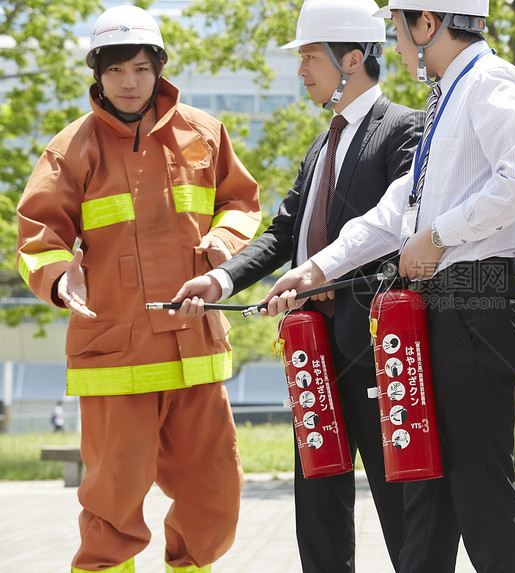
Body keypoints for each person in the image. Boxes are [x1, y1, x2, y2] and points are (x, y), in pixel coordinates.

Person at [179, 0, 515, 570]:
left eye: (399, 32)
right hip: (440, 306)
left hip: (478, 299)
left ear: (428, 23)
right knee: (426, 495)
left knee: (479, 495)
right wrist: (317, 268)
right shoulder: (446, 97)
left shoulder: (491, 80)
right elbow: (391, 213)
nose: (396, 48)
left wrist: (440, 234)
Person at [172, 0, 424, 571]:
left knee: (399, 502)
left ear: (352, 59)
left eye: (311, 56)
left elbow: (398, 232)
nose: (302, 69)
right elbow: (285, 232)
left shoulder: (405, 129)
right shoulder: (321, 147)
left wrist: (324, 281)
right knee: (317, 501)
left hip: (374, 349)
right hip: (312, 349)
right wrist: (219, 279)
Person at [15, 5, 260, 572]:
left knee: (215, 497)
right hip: (115, 357)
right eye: (117, 69)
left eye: (142, 69)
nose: (130, 82)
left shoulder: (203, 135)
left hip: (195, 350)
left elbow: (241, 202)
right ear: (97, 73)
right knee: (112, 511)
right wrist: (58, 275)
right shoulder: (69, 150)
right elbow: (38, 235)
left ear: (159, 70)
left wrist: (225, 240)